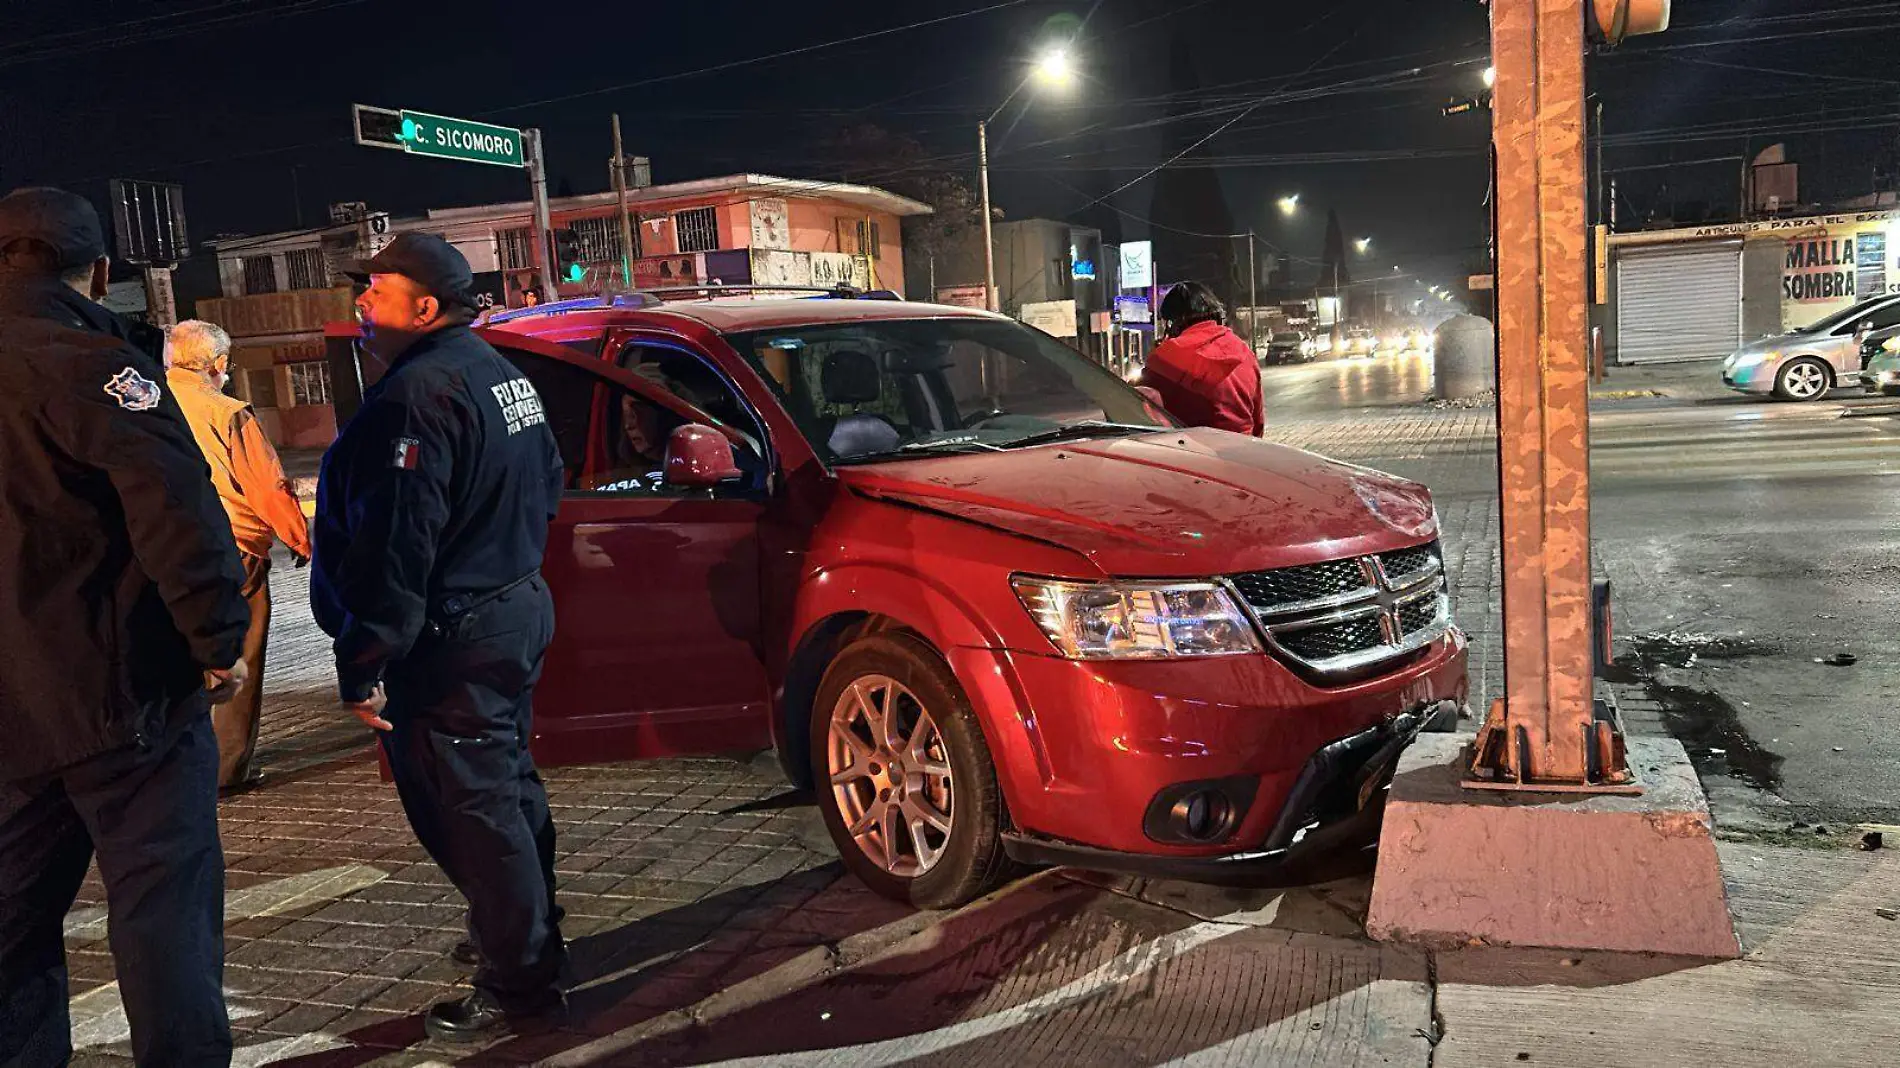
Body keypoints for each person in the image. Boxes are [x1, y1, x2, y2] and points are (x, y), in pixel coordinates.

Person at [0, 187, 251, 1067]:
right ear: (99, 271)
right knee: (163, 916)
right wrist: (217, 642)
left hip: (13, 714)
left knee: (11, 934)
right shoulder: (92, 363)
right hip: (121, 701)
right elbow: (179, 514)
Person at [310, 232, 567, 1042]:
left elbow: (397, 543)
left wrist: (364, 660)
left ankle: (519, 978)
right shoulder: (499, 373)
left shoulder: (415, 397)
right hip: (511, 606)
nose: (362, 304)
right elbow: (550, 483)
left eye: (376, 291)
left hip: (454, 632)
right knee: (506, 787)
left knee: (470, 806)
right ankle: (523, 929)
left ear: (424, 307)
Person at [166, 319, 315, 790]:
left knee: (178, 653)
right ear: (219, 364)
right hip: (232, 547)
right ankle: (225, 769)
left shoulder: (147, 403)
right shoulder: (227, 410)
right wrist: (299, 538)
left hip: (162, 546)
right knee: (238, 654)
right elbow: (266, 485)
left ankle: (174, 763)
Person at [1141, 281, 1265, 436]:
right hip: (1243, 450)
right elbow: (1258, 421)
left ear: (1172, 323)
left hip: (1192, 453)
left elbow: (1139, 409)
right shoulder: (1244, 352)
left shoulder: (1164, 357)